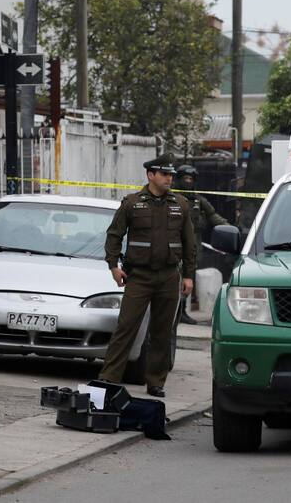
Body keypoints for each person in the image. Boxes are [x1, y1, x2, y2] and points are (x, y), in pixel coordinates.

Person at [99, 153, 196, 397]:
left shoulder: (180, 205)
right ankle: (109, 379)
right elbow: (114, 236)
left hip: (168, 277)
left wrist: (188, 276)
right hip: (139, 277)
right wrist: (113, 266)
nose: (169, 178)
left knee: (162, 332)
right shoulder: (132, 203)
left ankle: (155, 383)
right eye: (164, 174)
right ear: (150, 175)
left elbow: (189, 243)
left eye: (171, 174)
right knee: (126, 328)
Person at [174, 164, 229, 324]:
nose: (188, 182)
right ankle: (173, 310)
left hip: (193, 246)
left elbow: (213, 216)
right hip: (175, 245)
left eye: (191, 179)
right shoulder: (172, 197)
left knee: (188, 278)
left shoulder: (199, 200)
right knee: (174, 279)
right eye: (185, 178)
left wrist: (230, 227)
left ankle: (182, 310)